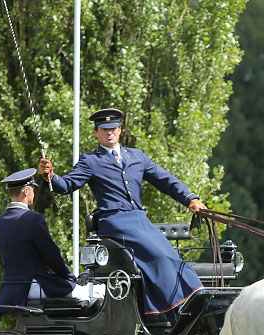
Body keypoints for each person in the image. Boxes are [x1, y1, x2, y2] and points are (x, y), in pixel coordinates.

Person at [38, 108, 205, 321]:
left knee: (170, 255)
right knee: (159, 255)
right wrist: (50, 176)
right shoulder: (90, 160)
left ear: (120, 130)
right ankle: (173, 307)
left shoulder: (137, 156)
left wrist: (191, 199)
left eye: (113, 128)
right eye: (104, 129)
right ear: (96, 132)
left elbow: (165, 180)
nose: (109, 133)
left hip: (139, 219)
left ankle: (194, 296)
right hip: (114, 220)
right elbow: (68, 184)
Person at [0, 168, 103, 308]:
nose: (33, 192)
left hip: (11, 291)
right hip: (37, 286)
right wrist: (70, 277)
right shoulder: (32, 219)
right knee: (97, 292)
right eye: (32, 189)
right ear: (26, 191)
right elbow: (51, 255)